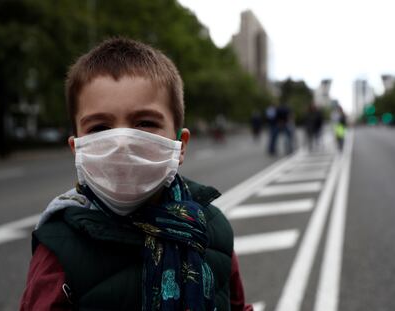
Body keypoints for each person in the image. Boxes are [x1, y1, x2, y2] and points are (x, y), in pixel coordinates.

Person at [20, 37, 252, 311]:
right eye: (99, 128)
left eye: (144, 122)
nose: (122, 143)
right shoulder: (58, 250)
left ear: (180, 145)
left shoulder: (210, 229)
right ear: (77, 149)